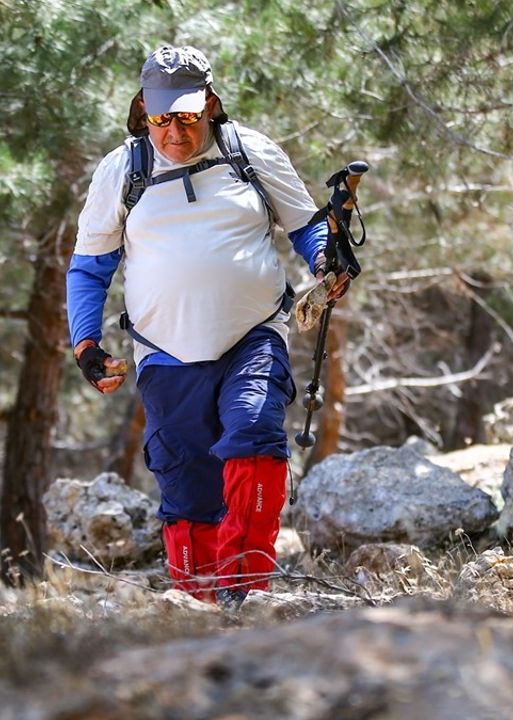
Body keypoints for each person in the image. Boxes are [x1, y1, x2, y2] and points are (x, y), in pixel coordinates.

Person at [66, 45, 347, 609]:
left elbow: (307, 226)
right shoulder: (122, 170)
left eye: (187, 116)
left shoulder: (251, 152)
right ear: (143, 110)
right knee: (187, 483)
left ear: (211, 105)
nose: (174, 131)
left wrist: (326, 261)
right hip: (163, 351)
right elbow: (89, 266)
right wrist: (86, 345)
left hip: (254, 335)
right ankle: (195, 609)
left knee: (255, 437)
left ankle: (245, 593)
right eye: (161, 117)